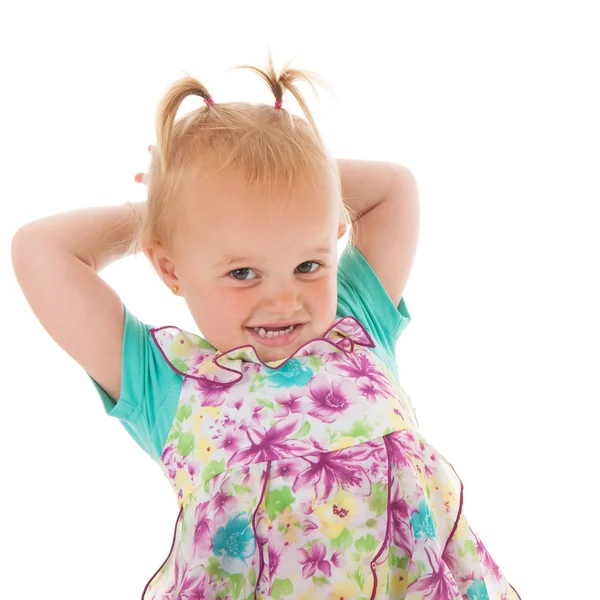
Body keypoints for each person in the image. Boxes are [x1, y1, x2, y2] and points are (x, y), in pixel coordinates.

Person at [11, 56, 522, 600]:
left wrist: (292, 177)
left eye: (308, 265)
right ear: (170, 268)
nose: (283, 298)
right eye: (242, 272)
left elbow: (394, 188)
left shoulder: (355, 323)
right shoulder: (165, 381)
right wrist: (174, 204)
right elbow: (41, 250)